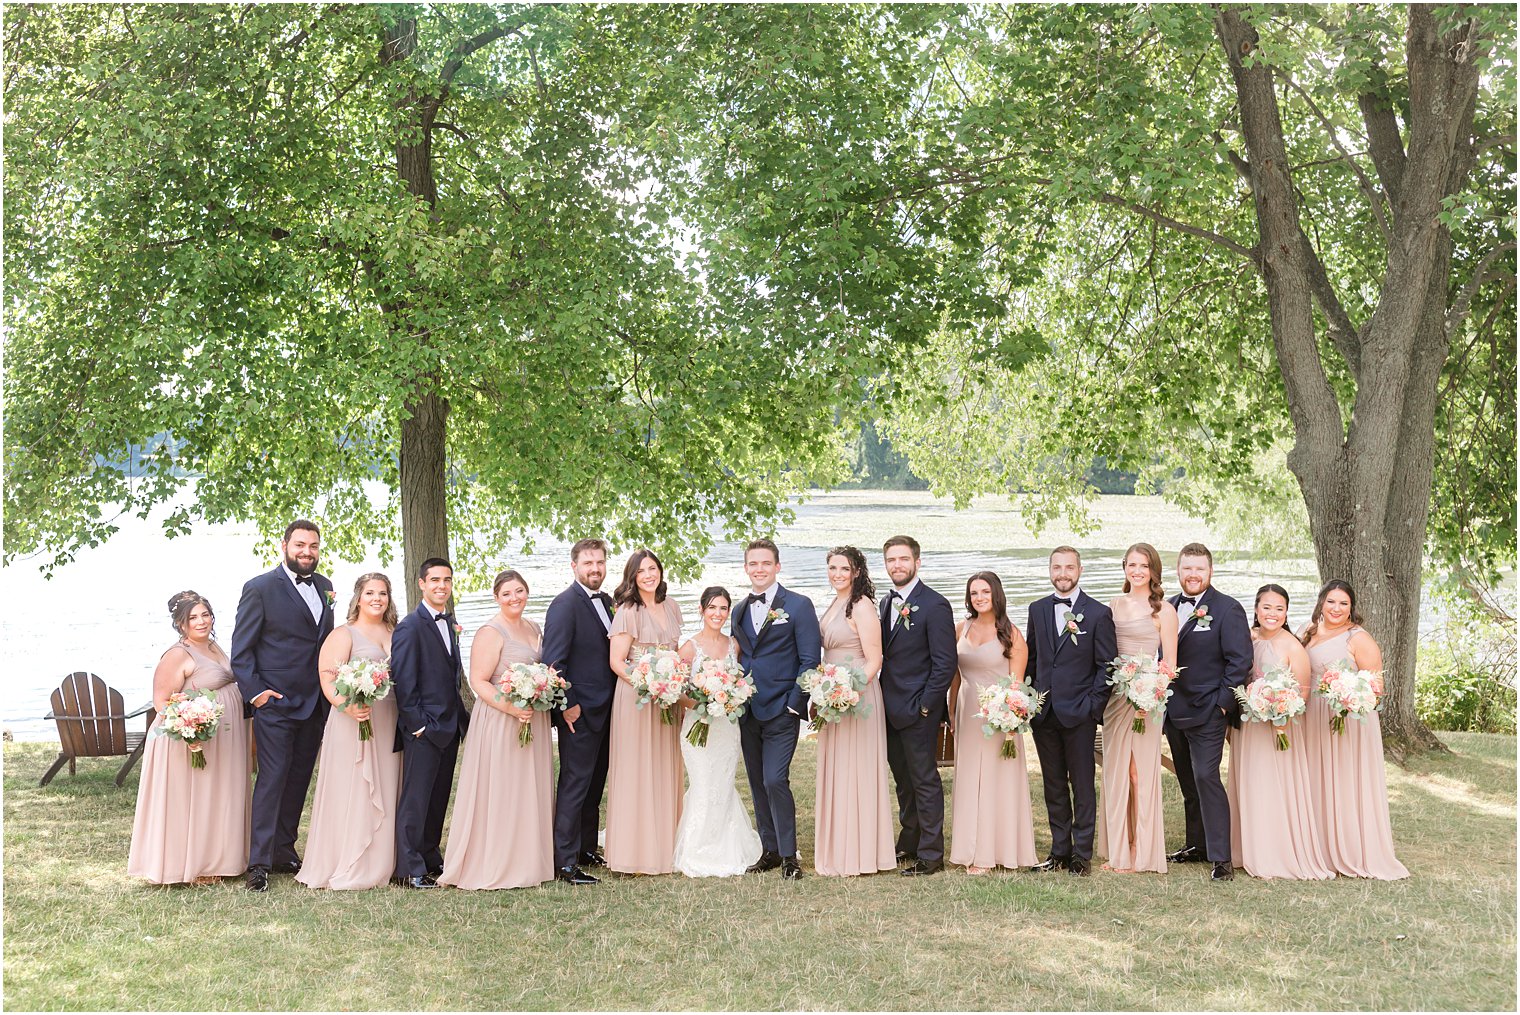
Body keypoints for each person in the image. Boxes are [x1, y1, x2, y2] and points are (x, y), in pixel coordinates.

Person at [231, 520, 335, 892]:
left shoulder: (325, 587)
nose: (307, 552)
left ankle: (283, 850)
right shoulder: (259, 589)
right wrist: (257, 694)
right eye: (300, 545)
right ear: (284, 546)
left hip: (315, 703)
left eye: (313, 546)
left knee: (298, 779)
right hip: (275, 703)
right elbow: (241, 653)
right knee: (273, 779)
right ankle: (257, 863)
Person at [440, 569, 555, 890]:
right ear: (496, 598)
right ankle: (497, 860)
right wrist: (511, 706)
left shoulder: (534, 627)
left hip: (534, 716)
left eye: (519, 591)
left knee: (528, 787)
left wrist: (541, 691)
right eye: (506, 593)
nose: (514, 598)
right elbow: (478, 681)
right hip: (502, 718)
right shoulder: (491, 631)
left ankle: (529, 858)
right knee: (504, 789)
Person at [129, 592, 251, 884]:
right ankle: (193, 865)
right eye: (193, 617)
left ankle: (219, 859)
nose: (201, 621)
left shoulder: (212, 645)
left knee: (217, 795)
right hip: (186, 739)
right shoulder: (177, 654)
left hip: (219, 737)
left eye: (205, 614)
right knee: (194, 799)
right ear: (180, 624)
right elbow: (161, 701)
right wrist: (188, 728)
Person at [297, 573, 401, 890]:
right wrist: (347, 706)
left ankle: (384, 860)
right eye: (370, 593)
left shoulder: (397, 631)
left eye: (383, 593)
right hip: (352, 720)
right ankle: (347, 859)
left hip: (388, 718)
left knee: (386, 783)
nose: (377, 599)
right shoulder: (344, 634)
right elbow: (327, 676)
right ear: (358, 597)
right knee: (353, 786)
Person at [1301, 580, 1408, 880]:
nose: (1336, 608)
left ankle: (1350, 848)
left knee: (1345, 781)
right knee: (1317, 778)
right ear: (1321, 602)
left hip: (1347, 720)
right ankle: (1319, 847)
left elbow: (1376, 688)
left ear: (1352, 608)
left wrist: (1349, 698)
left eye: (1343, 603)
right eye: (1331, 602)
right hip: (1313, 717)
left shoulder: (1358, 638)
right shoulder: (1306, 631)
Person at [1227, 584, 1333, 880]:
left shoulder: (1292, 646)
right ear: (1256, 609)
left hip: (1278, 728)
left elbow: (1302, 695)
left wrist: (1279, 712)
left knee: (1273, 786)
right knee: (1249, 783)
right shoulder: (1247, 638)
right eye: (1266, 607)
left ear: (1286, 613)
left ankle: (1276, 853)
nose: (1272, 614)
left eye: (1279, 609)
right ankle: (1247, 849)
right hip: (1248, 726)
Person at [733, 538, 821, 880]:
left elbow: (810, 659)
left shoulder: (798, 605)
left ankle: (789, 856)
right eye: (753, 564)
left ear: (777, 566)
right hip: (747, 709)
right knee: (756, 781)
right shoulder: (739, 608)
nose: (759, 569)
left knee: (775, 779)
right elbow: (741, 657)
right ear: (746, 568)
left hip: (782, 708)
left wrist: (794, 705)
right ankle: (768, 850)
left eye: (765, 563)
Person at [1163, 542, 1252, 882]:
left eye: (1199, 569)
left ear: (1210, 572)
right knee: (1187, 779)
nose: (1193, 575)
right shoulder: (1168, 607)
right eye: (1187, 568)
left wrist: (1222, 705)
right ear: (1178, 571)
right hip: (1174, 709)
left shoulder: (1227, 609)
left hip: (1209, 712)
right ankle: (1196, 845)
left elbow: (1239, 661)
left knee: (1206, 778)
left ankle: (1221, 857)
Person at [1026, 546, 1116, 877]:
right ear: (1049, 570)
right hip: (1045, 714)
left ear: (1079, 570)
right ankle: (1059, 851)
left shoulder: (1097, 612)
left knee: (1082, 783)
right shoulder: (1036, 609)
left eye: (1069, 567)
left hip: (1079, 714)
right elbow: (1032, 660)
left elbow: (1107, 666)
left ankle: (1081, 854)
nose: (1062, 573)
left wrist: (1092, 708)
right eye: (1056, 567)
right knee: (1053, 785)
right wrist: (1032, 701)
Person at [813, 546, 895, 877]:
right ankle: (838, 848)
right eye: (832, 568)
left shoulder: (861, 606)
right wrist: (826, 691)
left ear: (857, 572)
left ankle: (861, 853)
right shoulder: (836, 602)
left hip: (857, 695)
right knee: (838, 769)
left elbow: (875, 658)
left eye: (844, 569)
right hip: (833, 695)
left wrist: (849, 692)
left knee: (857, 770)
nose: (837, 574)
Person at [877, 535, 957, 876]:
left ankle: (930, 853)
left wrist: (926, 706)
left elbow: (945, 663)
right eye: (892, 560)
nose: (897, 565)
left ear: (917, 562)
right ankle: (909, 841)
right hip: (888, 707)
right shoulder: (885, 602)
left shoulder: (935, 605)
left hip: (918, 711)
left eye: (903, 559)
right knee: (903, 780)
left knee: (925, 780)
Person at [541, 538, 618, 886]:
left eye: (599, 562)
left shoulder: (608, 602)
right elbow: (554, 663)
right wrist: (567, 707)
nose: (595, 569)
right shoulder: (564, 605)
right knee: (574, 782)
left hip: (607, 708)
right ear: (574, 567)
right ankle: (565, 861)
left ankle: (587, 846)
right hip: (580, 711)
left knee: (594, 783)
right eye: (588, 563)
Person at [948, 571, 1036, 874]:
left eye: (985, 592)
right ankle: (969, 848)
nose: (979, 598)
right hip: (967, 708)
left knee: (996, 779)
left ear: (996, 594)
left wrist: (1010, 717)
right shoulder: (961, 627)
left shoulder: (1011, 633)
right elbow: (955, 676)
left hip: (999, 716)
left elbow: (1017, 684)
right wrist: (951, 711)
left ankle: (992, 852)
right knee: (971, 777)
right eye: (974, 593)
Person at [672, 587, 763, 877]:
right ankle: (698, 849)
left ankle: (728, 844)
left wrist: (729, 698)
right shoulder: (689, 648)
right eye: (712, 608)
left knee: (722, 783)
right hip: (698, 727)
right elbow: (678, 691)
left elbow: (740, 684)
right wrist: (703, 702)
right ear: (701, 610)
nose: (718, 614)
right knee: (703, 782)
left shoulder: (734, 645)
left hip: (727, 727)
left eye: (723, 608)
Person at [605, 548, 685, 874]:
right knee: (637, 769)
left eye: (653, 568)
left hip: (667, 697)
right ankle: (634, 851)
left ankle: (667, 844)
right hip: (636, 697)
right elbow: (616, 661)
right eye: (642, 571)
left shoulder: (672, 606)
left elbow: (676, 652)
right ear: (633, 577)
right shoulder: (627, 610)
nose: (649, 575)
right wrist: (647, 682)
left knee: (665, 764)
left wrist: (672, 683)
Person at [390, 556, 468, 889]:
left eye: (446, 580)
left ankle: (430, 855)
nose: (441, 586)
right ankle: (408, 868)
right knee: (416, 799)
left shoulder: (449, 624)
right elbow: (403, 681)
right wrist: (418, 725)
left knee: (438, 797)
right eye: (434, 580)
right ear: (422, 584)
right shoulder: (409, 626)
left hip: (450, 727)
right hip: (425, 728)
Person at [1097, 543, 1174, 874]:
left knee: (1138, 771)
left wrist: (1151, 694)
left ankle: (1139, 849)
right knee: (1116, 771)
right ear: (1124, 567)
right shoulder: (1114, 604)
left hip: (1147, 701)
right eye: (1132, 565)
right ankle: (1118, 849)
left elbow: (1169, 664)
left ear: (1154, 570)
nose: (1137, 571)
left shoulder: (1164, 611)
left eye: (1144, 566)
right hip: (1116, 698)